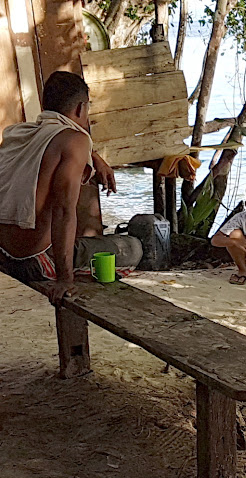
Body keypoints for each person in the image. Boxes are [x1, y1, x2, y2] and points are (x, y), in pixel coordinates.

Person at [0, 71, 141, 305]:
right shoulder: (76, 141)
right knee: (133, 247)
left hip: (3, 253)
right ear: (80, 109)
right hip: (34, 262)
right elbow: (64, 212)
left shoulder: (19, 133)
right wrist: (65, 280)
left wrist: (94, 157)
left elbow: (53, 143)